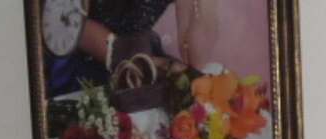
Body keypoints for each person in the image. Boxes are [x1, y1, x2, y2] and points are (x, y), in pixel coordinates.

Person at [48, 0, 219, 97]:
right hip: (77, 69)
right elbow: (62, 22)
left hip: (138, 70)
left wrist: (203, 7)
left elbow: (196, 62)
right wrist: (138, 60)